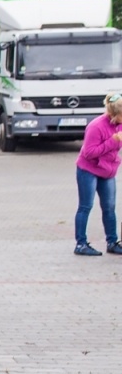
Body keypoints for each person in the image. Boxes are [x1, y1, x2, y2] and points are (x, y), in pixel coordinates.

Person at [74, 92, 122, 256]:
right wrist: (113, 141)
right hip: (88, 169)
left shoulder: (120, 124)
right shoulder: (96, 126)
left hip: (107, 170)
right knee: (86, 206)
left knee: (109, 207)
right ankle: (80, 244)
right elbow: (89, 153)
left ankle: (112, 242)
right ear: (115, 114)